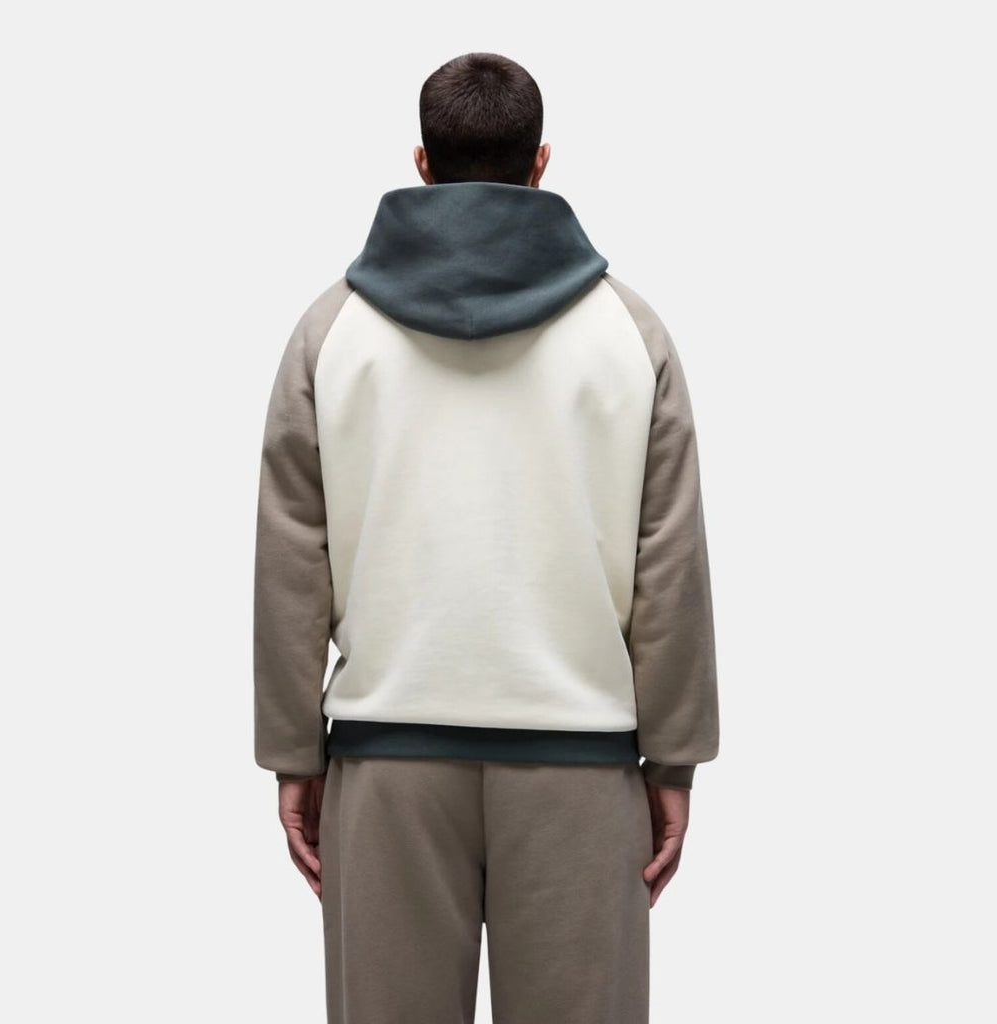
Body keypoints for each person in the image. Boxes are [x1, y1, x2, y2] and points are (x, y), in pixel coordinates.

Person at [253, 50, 720, 1024]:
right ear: (541, 162)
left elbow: (293, 553)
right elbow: (667, 560)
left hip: (386, 762)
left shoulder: (331, 332)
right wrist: (671, 759)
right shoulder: (629, 333)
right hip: (580, 763)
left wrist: (295, 751)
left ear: (421, 163)